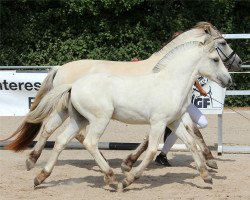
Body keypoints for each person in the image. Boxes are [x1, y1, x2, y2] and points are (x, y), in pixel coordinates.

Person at [155, 80, 208, 166]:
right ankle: (162, 155)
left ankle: (161, 156)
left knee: (203, 123)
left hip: (187, 103)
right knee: (179, 129)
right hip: (176, 104)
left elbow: (194, 78)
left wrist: (200, 89)